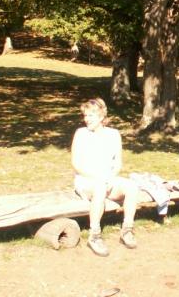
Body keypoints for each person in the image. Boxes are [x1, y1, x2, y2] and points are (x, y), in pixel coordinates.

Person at [71, 98, 138, 256]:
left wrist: (110, 177)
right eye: (85, 115)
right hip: (86, 180)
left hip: (108, 179)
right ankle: (94, 235)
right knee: (100, 188)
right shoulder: (81, 134)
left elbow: (118, 163)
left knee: (131, 186)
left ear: (101, 116)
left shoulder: (113, 134)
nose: (87, 119)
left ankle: (127, 230)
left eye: (91, 116)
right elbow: (75, 164)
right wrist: (98, 178)